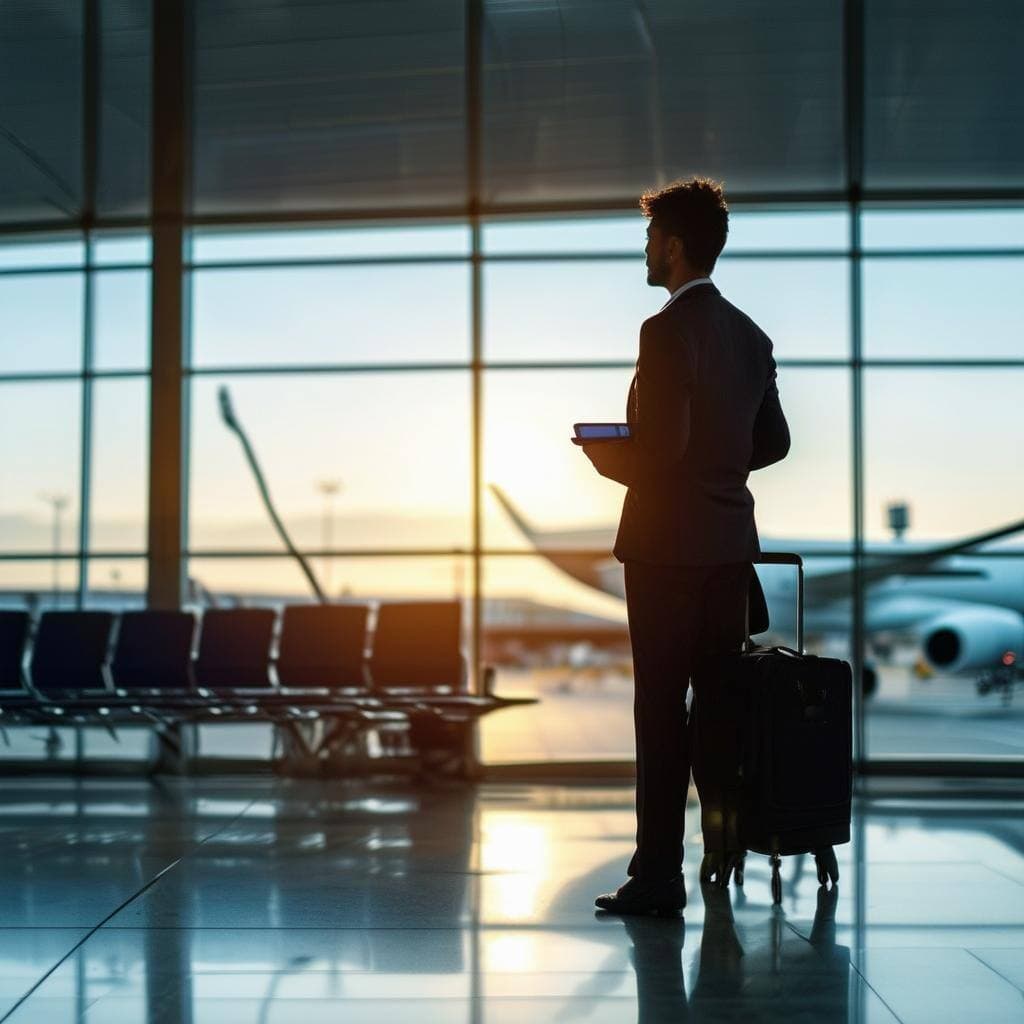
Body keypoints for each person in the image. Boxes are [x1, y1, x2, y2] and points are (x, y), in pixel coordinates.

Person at [577, 177, 791, 915]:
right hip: (730, 548)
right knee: (721, 712)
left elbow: (660, 450)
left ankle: (659, 877)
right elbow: (775, 442)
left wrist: (605, 455)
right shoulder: (751, 334)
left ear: (671, 245)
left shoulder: (664, 331)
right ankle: (725, 856)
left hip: (667, 551)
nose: (644, 251)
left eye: (648, 239)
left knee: (661, 713)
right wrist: (718, 469)